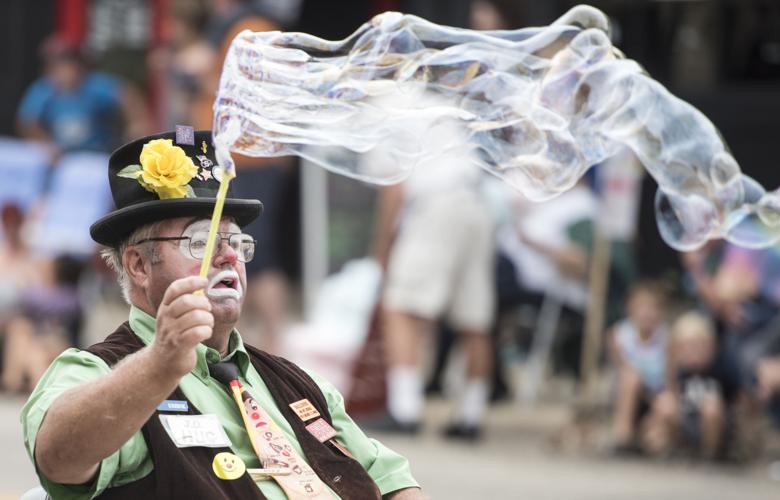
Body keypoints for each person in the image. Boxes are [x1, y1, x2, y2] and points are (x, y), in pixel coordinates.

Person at [21, 130, 424, 499]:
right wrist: (158, 365)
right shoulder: (96, 370)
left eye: (236, 241)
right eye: (202, 240)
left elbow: (391, 480)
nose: (230, 255)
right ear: (139, 266)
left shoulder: (298, 382)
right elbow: (58, 458)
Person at [369, 92, 495, 440]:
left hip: (434, 206)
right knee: (474, 318)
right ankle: (471, 414)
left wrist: (382, 249)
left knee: (399, 306)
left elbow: (394, 189)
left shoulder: (383, 108)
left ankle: (404, 410)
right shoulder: (432, 100)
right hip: (475, 205)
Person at [643, 311, 739, 460]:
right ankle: (676, 450)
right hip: (685, 422)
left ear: (711, 347)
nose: (693, 352)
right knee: (664, 404)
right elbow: (664, 398)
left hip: (717, 427)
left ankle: (710, 455)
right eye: (686, 347)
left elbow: (739, 400)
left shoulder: (721, 369)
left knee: (711, 407)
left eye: (699, 346)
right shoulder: (674, 371)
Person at [607, 281, 668, 453]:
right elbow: (622, 368)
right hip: (629, 394)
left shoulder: (667, 339)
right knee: (630, 378)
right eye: (641, 307)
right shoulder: (619, 336)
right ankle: (623, 436)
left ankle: (649, 437)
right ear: (630, 310)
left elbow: (670, 377)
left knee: (664, 409)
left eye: (652, 308)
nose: (647, 313)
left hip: (657, 395)